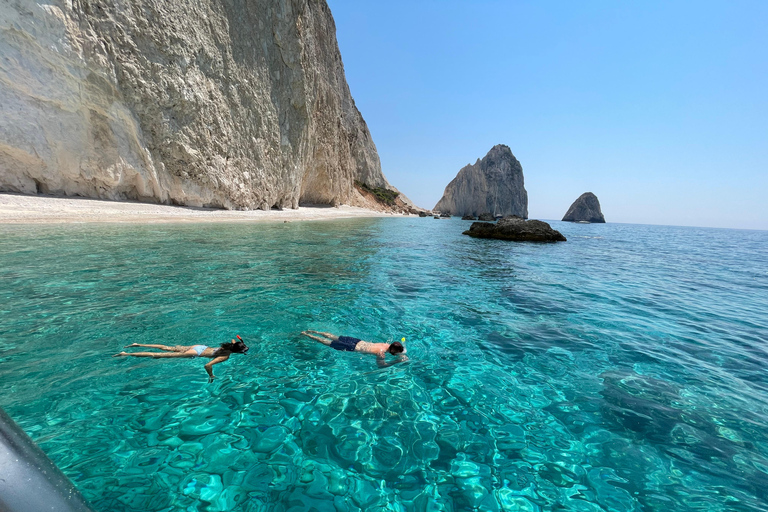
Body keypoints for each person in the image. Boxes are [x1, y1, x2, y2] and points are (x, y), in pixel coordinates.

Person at [113, 338, 248, 381]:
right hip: (195, 352)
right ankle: (125, 354)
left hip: (199, 346)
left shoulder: (230, 345)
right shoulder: (225, 356)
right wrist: (211, 375)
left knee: (166, 348)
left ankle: (138, 344)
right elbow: (207, 365)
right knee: (157, 355)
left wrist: (240, 342)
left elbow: (234, 341)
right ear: (236, 352)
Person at [300, 330, 408, 367]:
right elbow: (381, 366)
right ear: (393, 350)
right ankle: (308, 335)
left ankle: (314, 332)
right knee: (328, 343)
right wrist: (397, 361)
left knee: (333, 336)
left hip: (356, 341)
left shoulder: (385, 344)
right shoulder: (381, 353)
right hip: (352, 347)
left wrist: (400, 354)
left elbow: (395, 349)